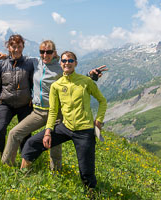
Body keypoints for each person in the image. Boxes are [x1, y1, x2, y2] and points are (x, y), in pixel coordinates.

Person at [0, 41, 108, 169]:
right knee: (14, 133)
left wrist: (91, 76)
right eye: (42, 52)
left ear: (54, 53)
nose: (45, 54)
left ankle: (55, 172)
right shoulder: (34, 62)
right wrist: (6, 56)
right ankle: (6, 167)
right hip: (38, 112)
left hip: (56, 113)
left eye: (49, 52)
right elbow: (20, 58)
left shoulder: (60, 66)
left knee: (54, 145)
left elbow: (73, 77)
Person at [20, 51, 107, 189]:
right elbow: (53, 111)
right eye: (64, 61)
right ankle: (22, 177)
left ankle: (92, 194)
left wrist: (98, 120)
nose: (67, 63)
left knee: (86, 172)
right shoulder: (56, 86)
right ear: (61, 64)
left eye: (70, 61)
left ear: (75, 63)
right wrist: (48, 132)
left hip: (85, 131)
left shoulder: (86, 82)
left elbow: (102, 101)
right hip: (65, 127)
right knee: (32, 143)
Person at [0, 34, 34, 158]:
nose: (16, 49)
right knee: (0, 130)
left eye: (19, 46)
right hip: (6, 104)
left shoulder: (29, 64)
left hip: (25, 105)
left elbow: (34, 84)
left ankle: (25, 160)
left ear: (23, 47)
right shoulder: (1, 65)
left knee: (25, 133)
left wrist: (33, 102)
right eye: (13, 46)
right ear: (9, 47)